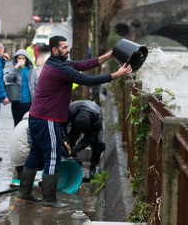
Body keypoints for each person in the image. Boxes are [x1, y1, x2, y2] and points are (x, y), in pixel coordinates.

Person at [18, 35, 132, 207]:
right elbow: (87, 80)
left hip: (39, 117)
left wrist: (107, 56)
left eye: (67, 46)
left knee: (35, 153)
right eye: (64, 47)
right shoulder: (60, 68)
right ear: (55, 50)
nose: (68, 49)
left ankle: (24, 193)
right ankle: (49, 199)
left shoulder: (57, 63)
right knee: (53, 156)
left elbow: (82, 65)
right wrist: (117, 74)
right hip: (46, 119)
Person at [61, 100, 105, 178]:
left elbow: (89, 138)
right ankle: (66, 161)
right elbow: (61, 126)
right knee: (68, 141)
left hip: (93, 121)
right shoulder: (70, 110)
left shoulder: (97, 119)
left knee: (98, 145)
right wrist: (65, 140)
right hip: (76, 121)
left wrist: (77, 148)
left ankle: (93, 166)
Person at [4, 49, 38, 127]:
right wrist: (16, 67)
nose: (21, 60)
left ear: (26, 59)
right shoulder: (13, 69)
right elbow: (7, 79)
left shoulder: (31, 70)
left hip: (29, 103)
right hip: (17, 103)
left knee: (29, 125)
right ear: (16, 59)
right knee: (17, 124)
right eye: (19, 58)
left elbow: (37, 85)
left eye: (23, 58)